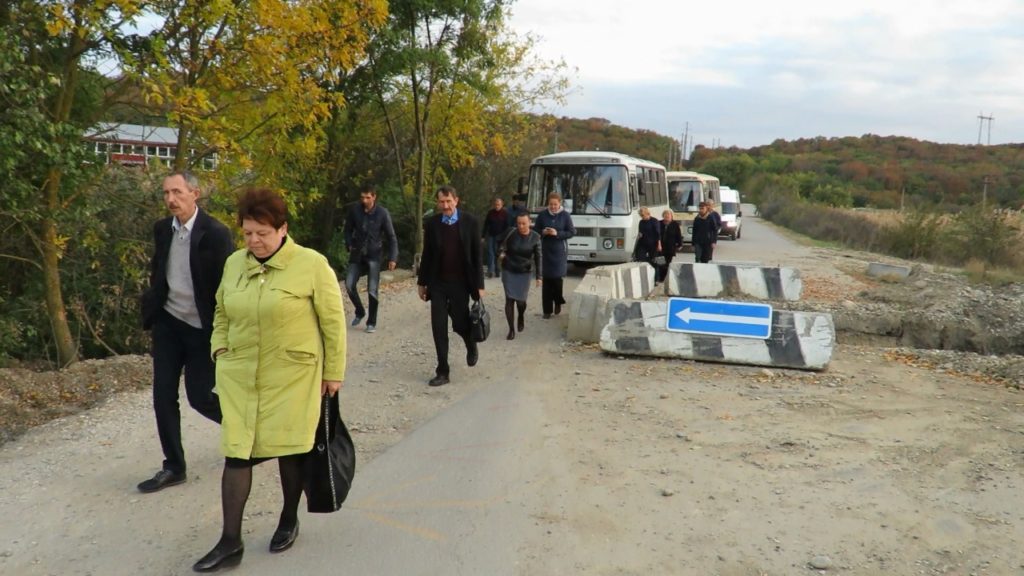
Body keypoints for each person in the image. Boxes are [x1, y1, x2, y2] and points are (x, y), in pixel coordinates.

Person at [192, 188, 347, 572]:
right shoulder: (234, 264)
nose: (254, 241)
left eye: (262, 232)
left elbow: (333, 322)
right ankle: (230, 542)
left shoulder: (311, 264)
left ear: (282, 229)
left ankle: (289, 518)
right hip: (240, 375)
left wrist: (333, 373)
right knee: (236, 451)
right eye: (247, 233)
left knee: (291, 449)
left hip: (293, 374)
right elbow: (221, 312)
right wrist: (219, 349)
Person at [138, 171, 234, 494]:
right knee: (162, 395)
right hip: (168, 323)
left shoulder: (216, 234)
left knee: (200, 397)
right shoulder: (162, 229)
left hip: (201, 328)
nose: (170, 199)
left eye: (177, 192)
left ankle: (247, 430)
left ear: (195, 194)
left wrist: (227, 331)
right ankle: (174, 467)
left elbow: (226, 285)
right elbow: (159, 268)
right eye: (166, 193)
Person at [417, 185, 485, 387]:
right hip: (438, 283)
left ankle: (470, 344)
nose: (445, 206)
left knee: (460, 323)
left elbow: (477, 255)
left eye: (448, 201)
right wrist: (422, 282)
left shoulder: (470, 222)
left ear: (456, 200)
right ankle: (442, 371)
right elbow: (427, 254)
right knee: (438, 326)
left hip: (461, 283)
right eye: (441, 202)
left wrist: (479, 285)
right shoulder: (433, 224)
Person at [344, 185, 398, 333]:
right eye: (362, 197)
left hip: (374, 255)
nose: (365, 200)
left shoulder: (382, 213)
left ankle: (371, 322)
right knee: (349, 285)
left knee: (372, 290)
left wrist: (393, 257)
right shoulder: (355, 211)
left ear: (374, 197)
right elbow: (347, 229)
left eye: (368, 197)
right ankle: (360, 311)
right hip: (357, 253)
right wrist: (348, 243)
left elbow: (391, 237)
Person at [498, 213, 542, 340]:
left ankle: (521, 315)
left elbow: (539, 257)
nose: (521, 226)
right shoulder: (511, 232)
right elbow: (499, 244)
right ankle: (511, 329)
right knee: (509, 300)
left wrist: (539, 276)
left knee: (521, 302)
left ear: (529, 222)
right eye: (519, 223)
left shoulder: (536, 237)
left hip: (524, 271)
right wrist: (501, 253)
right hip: (509, 269)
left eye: (524, 223)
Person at [533, 192, 576, 319]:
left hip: (559, 251)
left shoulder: (565, 216)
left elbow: (572, 232)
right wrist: (543, 232)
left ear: (560, 204)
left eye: (555, 204)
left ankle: (558, 302)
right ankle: (547, 310)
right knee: (546, 281)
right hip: (545, 251)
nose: (553, 207)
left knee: (557, 280)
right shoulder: (542, 215)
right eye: (551, 204)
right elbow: (535, 231)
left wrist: (557, 233)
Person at [482, 197, 509, 278]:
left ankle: (497, 270)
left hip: (500, 237)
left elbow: (507, 226)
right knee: (490, 253)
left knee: (497, 253)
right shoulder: (490, 213)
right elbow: (486, 224)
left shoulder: (505, 213)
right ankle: (490, 271)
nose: (497, 206)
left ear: (502, 205)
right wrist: (483, 236)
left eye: (498, 205)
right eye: (496, 205)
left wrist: (504, 238)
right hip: (491, 235)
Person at [659, 209, 683, 282]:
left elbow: (678, 235)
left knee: (668, 263)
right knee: (661, 263)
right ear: (663, 216)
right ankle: (661, 278)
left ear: (672, 216)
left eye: (668, 215)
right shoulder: (659, 223)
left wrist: (680, 244)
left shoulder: (675, 224)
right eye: (665, 214)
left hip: (670, 247)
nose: (667, 216)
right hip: (661, 247)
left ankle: (665, 278)